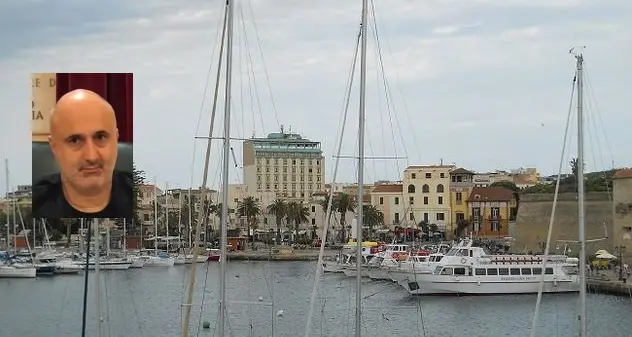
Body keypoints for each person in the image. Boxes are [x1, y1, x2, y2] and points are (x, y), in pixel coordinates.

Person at [32, 89, 133, 218]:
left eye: (100, 137)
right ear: (54, 147)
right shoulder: (31, 204)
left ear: (116, 139)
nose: (91, 156)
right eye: (75, 140)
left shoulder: (142, 198)